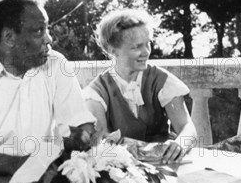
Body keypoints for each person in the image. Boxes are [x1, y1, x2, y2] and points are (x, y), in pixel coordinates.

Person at [0, 0, 96, 175]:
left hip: (47, 177)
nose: (49, 39)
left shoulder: (56, 63)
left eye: (47, 29)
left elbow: (80, 123)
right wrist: (30, 167)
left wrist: (80, 138)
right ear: (9, 37)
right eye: (39, 31)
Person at [84, 9, 197, 163]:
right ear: (113, 51)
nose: (146, 52)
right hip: (122, 168)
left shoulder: (161, 80)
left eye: (147, 44)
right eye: (136, 47)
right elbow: (100, 142)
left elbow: (187, 127)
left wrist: (180, 144)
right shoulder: (97, 91)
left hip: (165, 163)